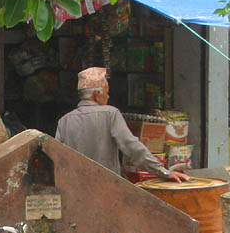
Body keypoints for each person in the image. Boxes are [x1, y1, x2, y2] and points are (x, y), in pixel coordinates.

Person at [55, 66, 190, 183]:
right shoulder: (110, 113)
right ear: (97, 94)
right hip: (106, 187)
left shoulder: (65, 120)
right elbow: (131, 146)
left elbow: (56, 157)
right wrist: (163, 171)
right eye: (107, 92)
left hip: (75, 187)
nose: (108, 96)